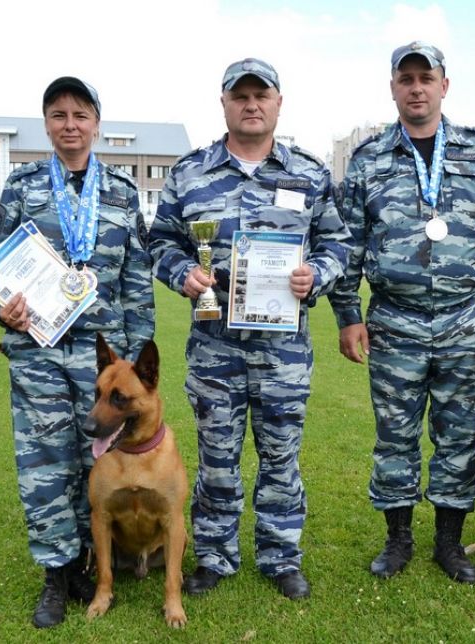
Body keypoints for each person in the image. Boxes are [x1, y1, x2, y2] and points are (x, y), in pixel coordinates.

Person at [329, 42, 475, 585]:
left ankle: (449, 542)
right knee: (394, 436)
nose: (417, 88)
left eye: (426, 78)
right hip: (393, 321)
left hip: (465, 321)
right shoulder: (369, 159)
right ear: (393, 88)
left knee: (460, 436)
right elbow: (347, 243)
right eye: (406, 79)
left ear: (444, 86)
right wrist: (348, 314)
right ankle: (398, 539)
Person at [148, 58, 352, 600]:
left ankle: (281, 555)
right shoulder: (190, 173)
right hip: (214, 348)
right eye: (240, 96)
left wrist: (317, 274)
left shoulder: (308, 174)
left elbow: (338, 244)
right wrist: (182, 272)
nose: (251, 104)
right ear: (224, 103)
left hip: (284, 351)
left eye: (262, 95)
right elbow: (160, 241)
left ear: (278, 103)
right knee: (217, 458)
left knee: (281, 457)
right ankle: (215, 556)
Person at [0, 77, 154, 627]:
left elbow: (137, 282)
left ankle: (97, 560)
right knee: (45, 465)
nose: (70, 124)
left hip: (104, 361)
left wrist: (134, 364)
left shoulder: (121, 192)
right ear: (47, 124)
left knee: (100, 458)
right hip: (40, 352)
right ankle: (58, 572)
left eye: (80, 114)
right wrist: (1, 311)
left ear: (96, 122)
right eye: (58, 114)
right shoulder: (22, 186)